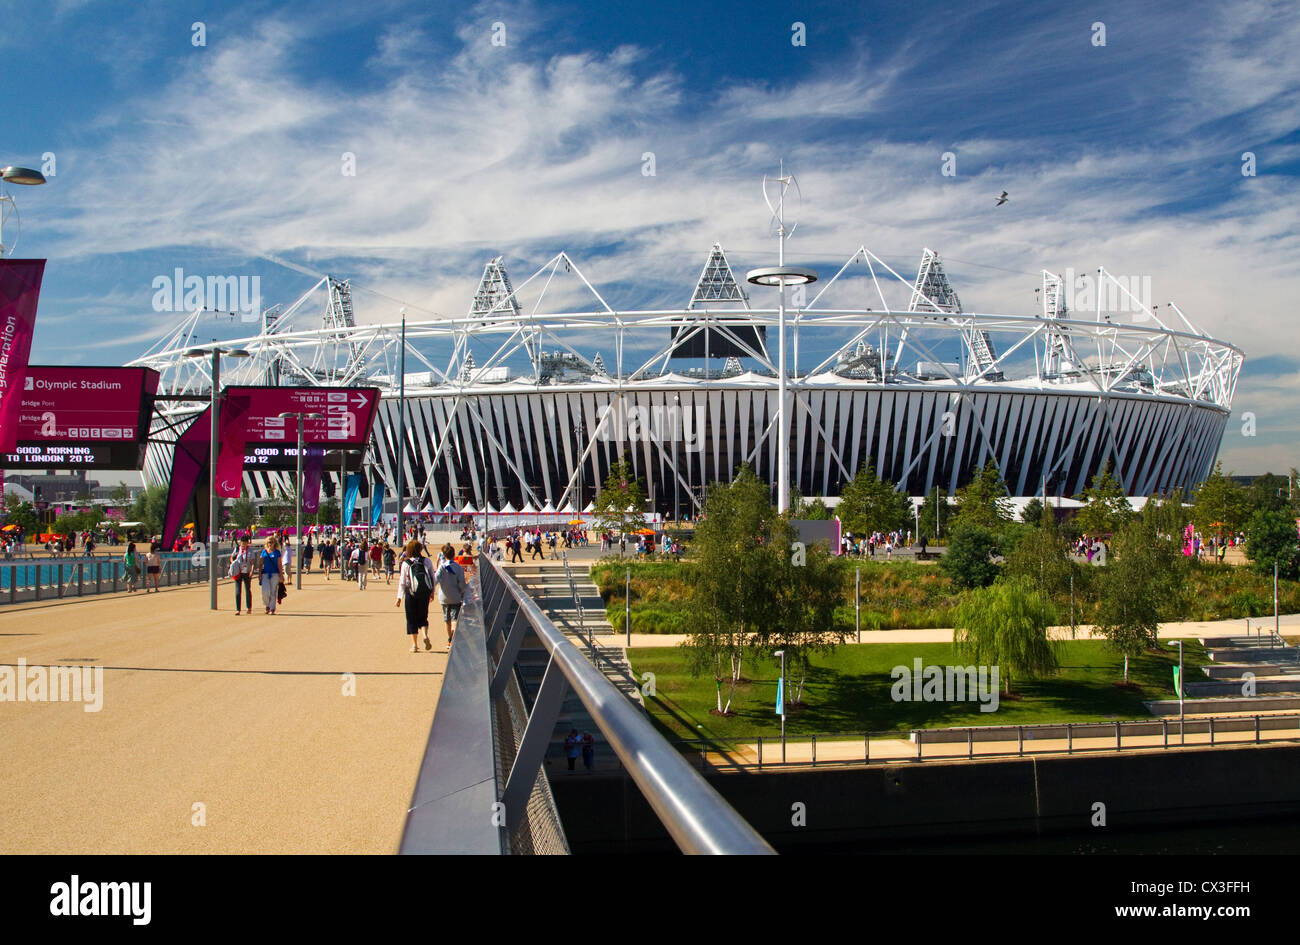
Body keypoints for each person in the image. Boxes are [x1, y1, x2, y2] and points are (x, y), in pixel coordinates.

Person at [394, 539, 436, 653]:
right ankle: (425, 635)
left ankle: (415, 645)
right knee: (423, 616)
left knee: (411, 619)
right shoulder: (426, 561)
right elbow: (433, 577)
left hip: (410, 593)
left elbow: (402, 582)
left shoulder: (406, 564)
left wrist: (399, 598)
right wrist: (432, 592)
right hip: (424, 593)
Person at [260, 536, 284, 615]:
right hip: (265, 573)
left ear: (274, 543)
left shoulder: (277, 552)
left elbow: (279, 564)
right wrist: (259, 574)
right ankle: (267, 604)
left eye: (272, 542)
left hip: (274, 574)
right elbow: (260, 564)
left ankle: (272, 608)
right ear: (266, 543)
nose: (270, 544)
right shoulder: (263, 552)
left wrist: (281, 574)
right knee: (265, 591)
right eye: (269, 542)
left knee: (273, 591)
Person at [229, 538, 254, 615]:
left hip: (247, 572)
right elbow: (231, 558)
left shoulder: (250, 550)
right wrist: (233, 563)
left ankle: (249, 607)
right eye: (242, 544)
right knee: (238, 591)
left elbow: (252, 562)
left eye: (245, 544)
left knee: (247, 590)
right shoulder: (237, 549)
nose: (243, 545)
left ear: (247, 543)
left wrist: (252, 571)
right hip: (238, 572)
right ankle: (238, 609)